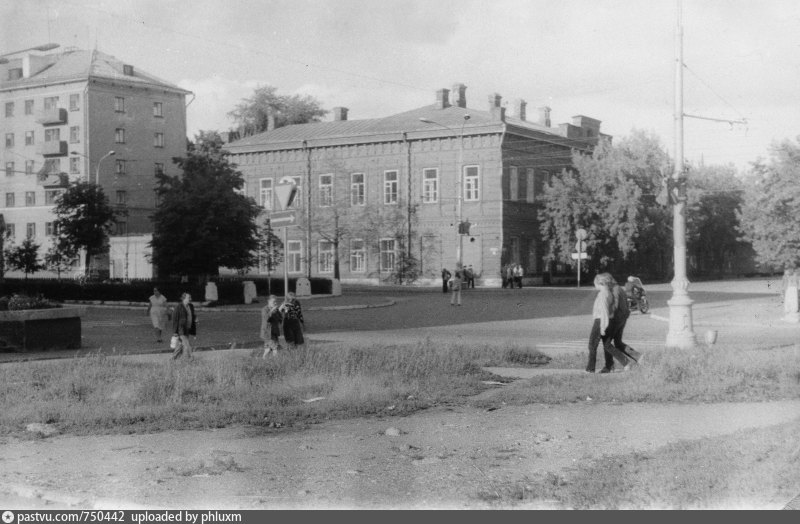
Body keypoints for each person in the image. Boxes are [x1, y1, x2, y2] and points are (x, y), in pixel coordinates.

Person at [586, 274, 630, 373]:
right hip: (607, 321)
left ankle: (590, 369)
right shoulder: (608, 293)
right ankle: (624, 362)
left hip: (600, 321)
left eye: (595, 284)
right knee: (607, 345)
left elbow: (604, 311)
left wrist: (602, 326)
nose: (595, 286)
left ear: (599, 283)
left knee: (592, 345)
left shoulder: (602, 294)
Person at [607, 275, 643, 369]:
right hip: (622, 318)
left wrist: (607, 315)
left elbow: (615, 306)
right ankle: (638, 357)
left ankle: (621, 364)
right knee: (618, 343)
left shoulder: (615, 290)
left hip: (616, 319)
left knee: (607, 343)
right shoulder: (620, 289)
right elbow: (626, 305)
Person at [171, 292, 194, 360]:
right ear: (184, 298)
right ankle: (190, 357)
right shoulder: (178, 307)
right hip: (181, 329)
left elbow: (191, 316)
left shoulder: (190, 306)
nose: (190, 299)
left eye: (190, 297)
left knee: (180, 345)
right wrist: (175, 331)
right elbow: (175, 319)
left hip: (187, 328)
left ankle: (172, 359)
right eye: (189, 298)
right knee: (187, 344)